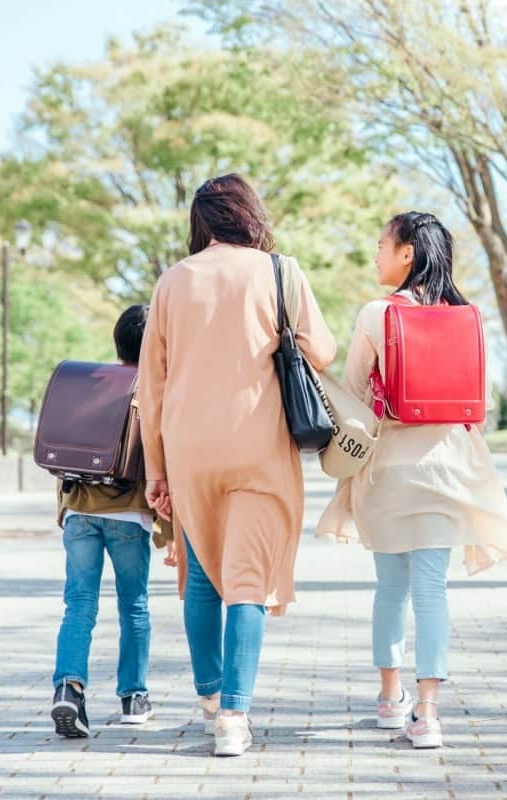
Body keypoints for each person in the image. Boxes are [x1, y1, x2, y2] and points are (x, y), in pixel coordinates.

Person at [137, 174, 336, 757]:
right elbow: (321, 353)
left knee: (201, 576)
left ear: (201, 224)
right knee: (247, 581)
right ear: (249, 214)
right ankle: (233, 719)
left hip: (188, 449)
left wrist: (156, 471)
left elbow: (151, 386)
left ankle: (209, 697)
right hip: (258, 444)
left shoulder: (172, 281)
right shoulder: (280, 271)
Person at [317, 211, 507, 749]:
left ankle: (389, 700)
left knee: (390, 589)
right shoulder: (469, 318)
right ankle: (426, 713)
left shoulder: (375, 314)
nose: (377, 254)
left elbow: (355, 394)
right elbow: (482, 403)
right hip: (447, 468)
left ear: (407, 253)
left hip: (387, 471)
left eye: (383, 244)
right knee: (432, 590)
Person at [50, 304, 175, 738]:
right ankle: (134, 697)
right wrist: (173, 532)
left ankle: (69, 688)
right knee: (134, 606)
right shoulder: (153, 388)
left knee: (78, 605)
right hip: (128, 515)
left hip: (81, 510)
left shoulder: (89, 382)